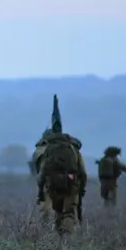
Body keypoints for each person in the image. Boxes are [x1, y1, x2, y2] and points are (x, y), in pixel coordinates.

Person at [33, 95, 87, 235]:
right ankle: (66, 241)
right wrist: (82, 188)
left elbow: (41, 172)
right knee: (68, 213)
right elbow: (83, 172)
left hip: (52, 184)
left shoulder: (46, 150)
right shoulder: (72, 149)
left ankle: (56, 239)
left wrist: (40, 191)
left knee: (56, 211)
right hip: (71, 183)